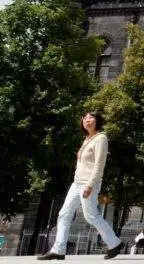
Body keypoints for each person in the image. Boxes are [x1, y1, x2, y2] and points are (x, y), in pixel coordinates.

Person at [38, 111, 123, 261]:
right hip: (76, 183)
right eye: (85, 117)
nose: (87, 120)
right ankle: (58, 249)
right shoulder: (87, 139)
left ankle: (115, 243)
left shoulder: (101, 139)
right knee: (64, 214)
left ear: (97, 121)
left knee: (91, 216)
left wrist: (90, 185)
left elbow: (99, 164)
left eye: (91, 117)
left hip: (88, 183)